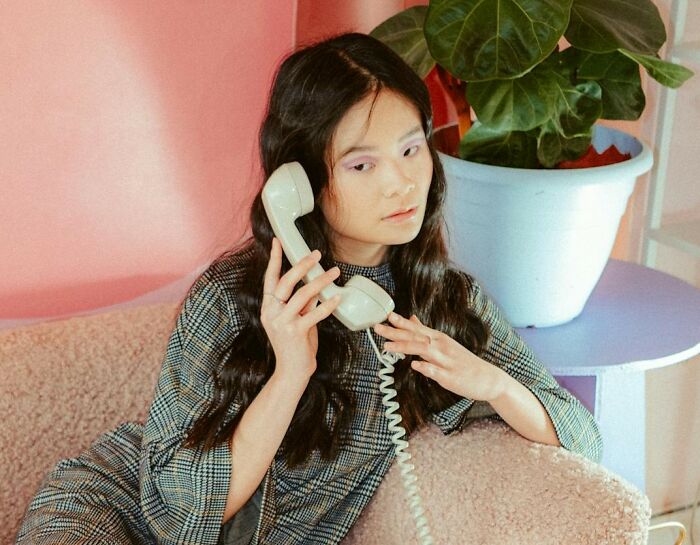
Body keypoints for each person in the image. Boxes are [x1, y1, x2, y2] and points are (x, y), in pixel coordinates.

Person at [16, 32, 603, 545]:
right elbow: (176, 516)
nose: (401, 183)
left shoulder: (445, 300)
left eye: (410, 149)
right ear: (299, 182)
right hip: (114, 513)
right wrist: (290, 372)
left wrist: (492, 383)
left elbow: (584, 442)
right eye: (361, 165)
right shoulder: (232, 295)